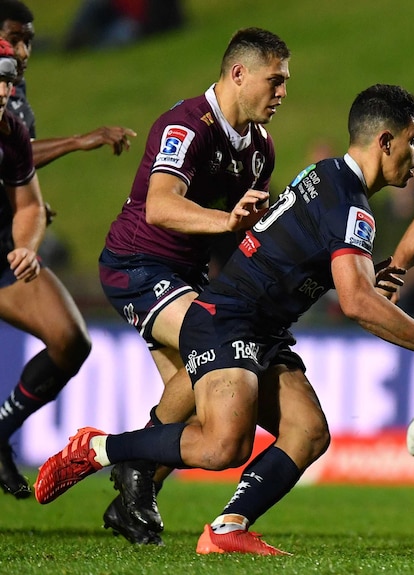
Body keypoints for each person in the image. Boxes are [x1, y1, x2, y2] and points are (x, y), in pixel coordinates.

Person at [34, 83, 414, 556]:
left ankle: (226, 528)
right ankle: (101, 448)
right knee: (223, 448)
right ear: (385, 141)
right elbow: (359, 304)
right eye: (413, 141)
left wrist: (359, 275)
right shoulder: (350, 205)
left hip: (262, 328)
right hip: (228, 321)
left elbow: (322, 264)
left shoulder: (328, 177)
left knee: (309, 432)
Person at [93, 27, 289, 546]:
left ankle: (131, 501)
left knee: (202, 400)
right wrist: (227, 221)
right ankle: (130, 463)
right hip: (137, 264)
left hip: (187, 276)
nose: (282, 93)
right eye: (275, 81)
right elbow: (160, 205)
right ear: (238, 74)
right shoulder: (185, 126)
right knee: (219, 339)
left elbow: (241, 232)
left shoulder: (261, 151)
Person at [0, 39, 92, 499]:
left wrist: (25, 247)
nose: (3, 91)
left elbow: (29, 205)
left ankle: (2, 430)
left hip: (2, 257)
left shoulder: (11, 130)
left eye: (8, 82)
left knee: (70, 339)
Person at [0, 0, 137, 169]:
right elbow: (9, 154)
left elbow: (20, 158)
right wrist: (76, 141)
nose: (23, 52)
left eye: (27, 42)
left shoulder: (15, 91)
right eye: (13, 41)